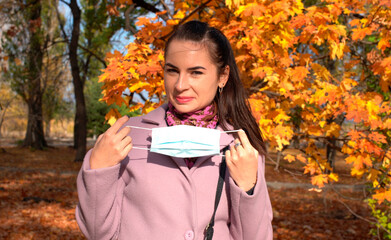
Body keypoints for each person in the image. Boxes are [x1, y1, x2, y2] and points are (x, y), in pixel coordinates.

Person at [76, 20, 273, 240]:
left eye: (196, 72)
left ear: (222, 76)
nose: (180, 85)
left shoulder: (240, 146)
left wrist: (247, 188)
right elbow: (98, 233)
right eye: (172, 71)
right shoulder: (128, 138)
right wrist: (99, 171)